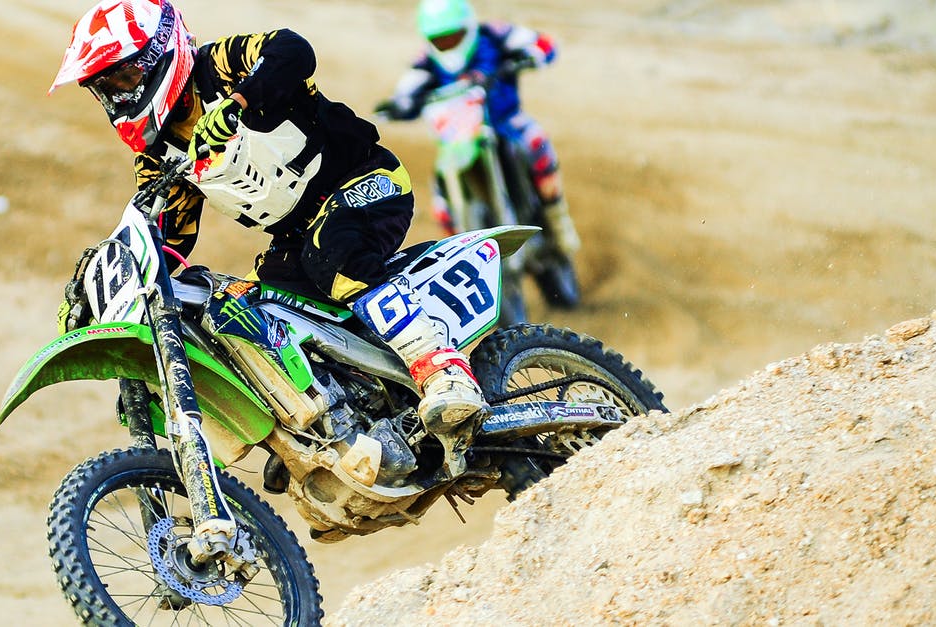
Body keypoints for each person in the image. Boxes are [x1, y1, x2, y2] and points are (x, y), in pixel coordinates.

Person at [49, 0, 486, 476]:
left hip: (365, 181)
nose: (117, 96)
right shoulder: (157, 155)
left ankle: (444, 371)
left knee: (333, 260)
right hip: (297, 235)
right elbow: (169, 237)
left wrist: (238, 105)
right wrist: (105, 292)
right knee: (248, 310)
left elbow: (293, 51)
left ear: (158, 53)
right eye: (103, 89)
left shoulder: (217, 67)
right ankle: (327, 423)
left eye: (122, 78)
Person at [376, 0, 580, 255]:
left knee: (536, 142)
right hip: (458, 140)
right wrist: (399, 105)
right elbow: (406, 90)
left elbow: (543, 43)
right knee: (439, 200)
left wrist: (533, 54)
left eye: (454, 36)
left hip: (505, 121)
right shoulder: (425, 61)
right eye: (441, 40)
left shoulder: (494, 34)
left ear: (468, 26)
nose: (449, 44)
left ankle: (559, 222)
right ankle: (458, 255)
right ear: (429, 39)